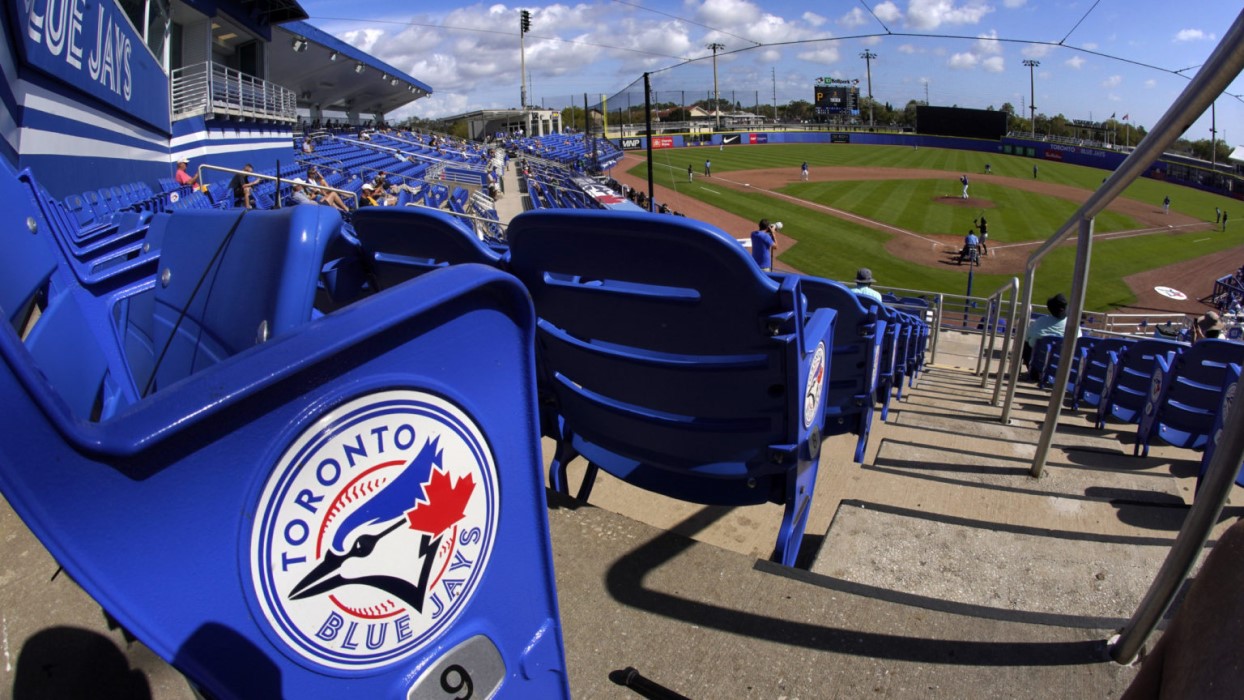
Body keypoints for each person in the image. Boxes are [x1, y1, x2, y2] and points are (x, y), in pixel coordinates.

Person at [1023, 293, 1075, 379]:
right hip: (1062, 365)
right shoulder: (1074, 325)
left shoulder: (1040, 321)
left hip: (1039, 363)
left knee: (1026, 344)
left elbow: (1027, 337)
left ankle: (1033, 372)